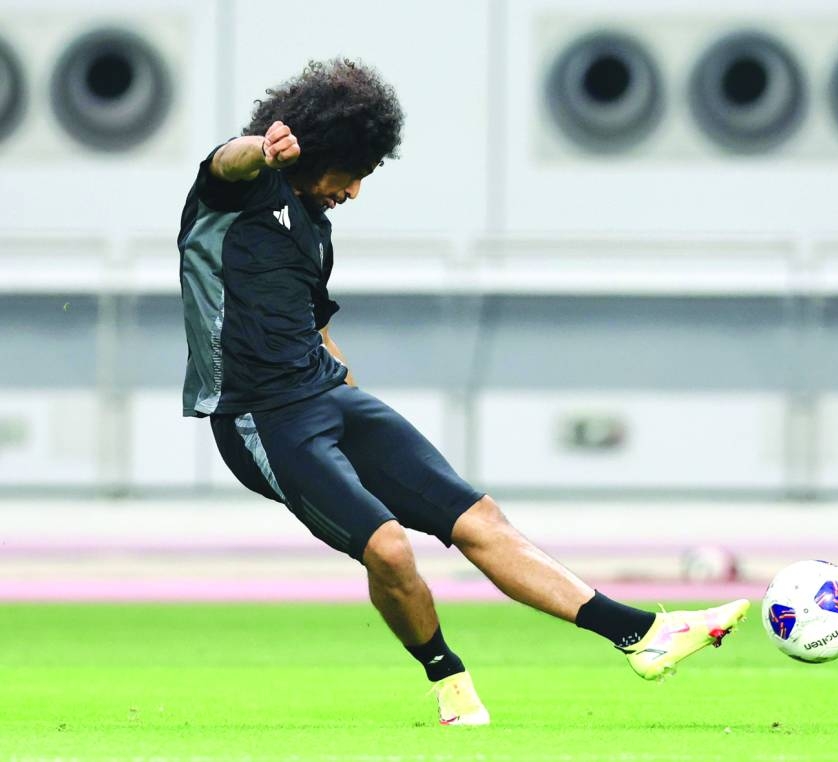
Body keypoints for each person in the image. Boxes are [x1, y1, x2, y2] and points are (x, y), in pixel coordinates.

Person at [178, 59, 749, 727]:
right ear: (312, 151)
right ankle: (449, 682)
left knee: (481, 521)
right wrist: (261, 146)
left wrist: (359, 412)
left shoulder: (316, 232)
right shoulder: (231, 196)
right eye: (351, 172)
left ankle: (644, 636)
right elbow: (228, 161)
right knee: (389, 547)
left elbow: (317, 327)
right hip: (260, 420)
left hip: (328, 400)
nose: (355, 190)